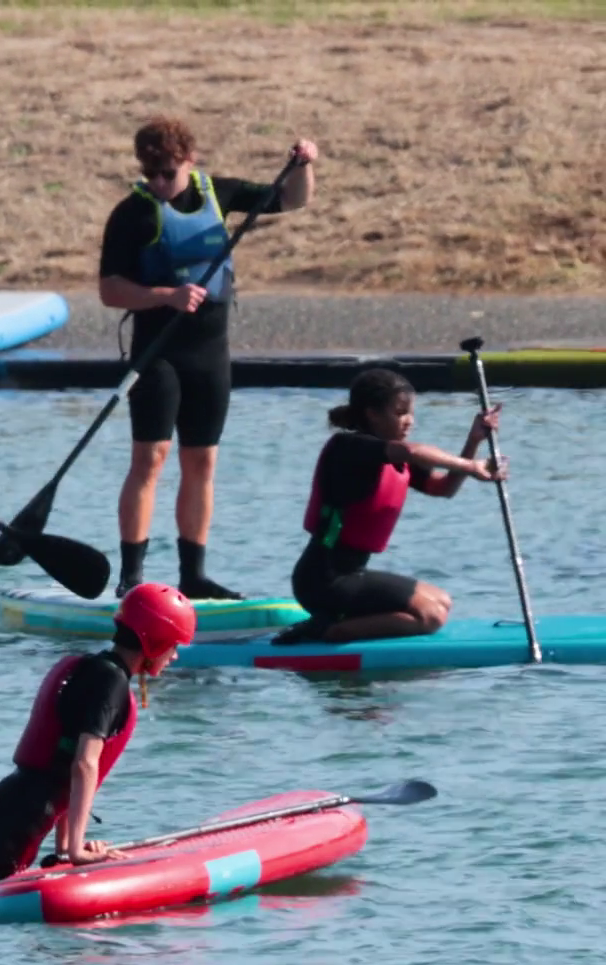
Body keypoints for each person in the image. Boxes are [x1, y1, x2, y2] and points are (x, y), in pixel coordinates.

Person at [99, 118, 320, 601]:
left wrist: (304, 164)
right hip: (157, 353)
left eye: (168, 173)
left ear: (190, 161)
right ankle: (132, 578)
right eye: (151, 173)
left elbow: (292, 199)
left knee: (201, 461)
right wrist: (166, 296)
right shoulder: (132, 215)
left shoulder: (220, 193)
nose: (160, 183)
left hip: (209, 354)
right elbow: (110, 290)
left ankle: (193, 576)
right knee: (150, 459)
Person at [0, 583, 197, 906]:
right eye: (174, 645)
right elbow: (84, 763)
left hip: (13, 807)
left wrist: (66, 849)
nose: (175, 655)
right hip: (22, 817)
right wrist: (78, 850)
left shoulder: (96, 670)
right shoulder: (111, 683)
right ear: (156, 640)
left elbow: (63, 768)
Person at [273, 370, 503, 646]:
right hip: (323, 579)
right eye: (400, 413)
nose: (410, 421)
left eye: (411, 413)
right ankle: (327, 630)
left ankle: (336, 619)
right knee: (431, 617)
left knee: (442, 601)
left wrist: (473, 441)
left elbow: (444, 489)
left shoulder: (396, 459)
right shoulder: (348, 447)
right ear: (372, 414)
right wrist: (472, 467)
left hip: (351, 573)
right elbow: (412, 451)